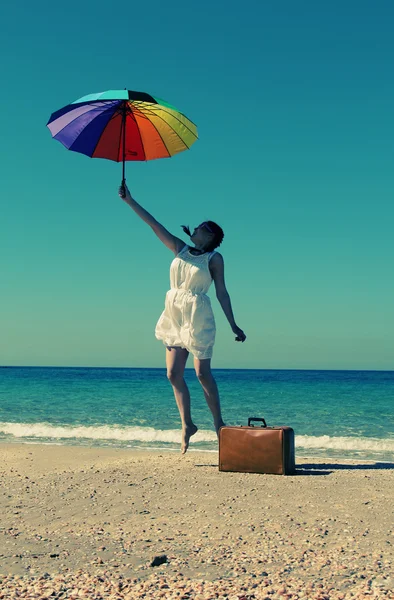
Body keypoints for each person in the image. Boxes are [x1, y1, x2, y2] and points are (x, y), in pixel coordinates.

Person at [119, 183, 246, 454]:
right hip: (174, 312)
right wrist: (130, 200)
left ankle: (218, 424)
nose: (195, 228)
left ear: (209, 235)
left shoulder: (214, 258)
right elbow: (154, 225)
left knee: (202, 373)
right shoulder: (180, 249)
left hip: (198, 315)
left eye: (201, 227)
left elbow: (222, 292)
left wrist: (233, 324)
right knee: (173, 373)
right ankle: (187, 424)